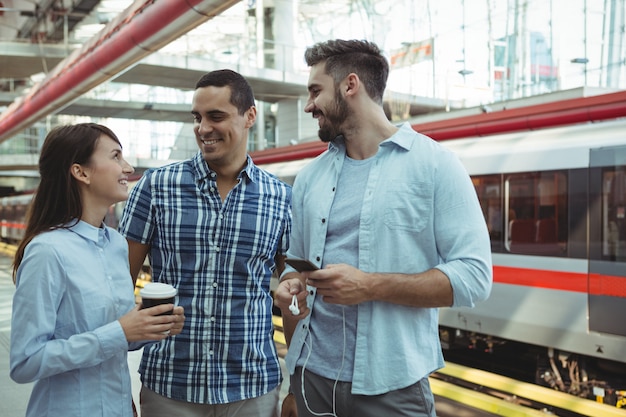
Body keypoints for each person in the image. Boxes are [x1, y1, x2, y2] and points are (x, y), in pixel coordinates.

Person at [274, 39, 493, 417]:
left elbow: (475, 277)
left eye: (315, 91)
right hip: (311, 378)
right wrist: (291, 285)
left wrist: (370, 285)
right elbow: (295, 270)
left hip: (392, 386)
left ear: (350, 85)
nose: (309, 105)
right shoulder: (309, 178)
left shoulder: (436, 165)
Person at [118, 69, 292, 417]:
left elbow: (293, 297)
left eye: (216, 116)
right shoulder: (155, 188)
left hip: (252, 388)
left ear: (250, 116)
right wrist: (117, 388)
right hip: (169, 385)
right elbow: (117, 289)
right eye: (197, 118)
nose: (203, 128)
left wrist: (298, 386)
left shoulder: (282, 198)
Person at [9, 123, 185, 417]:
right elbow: (25, 361)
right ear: (81, 172)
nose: (127, 167)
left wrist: (145, 327)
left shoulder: (116, 245)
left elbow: (115, 336)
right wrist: (119, 331)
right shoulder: (47, 251)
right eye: (115, 156)